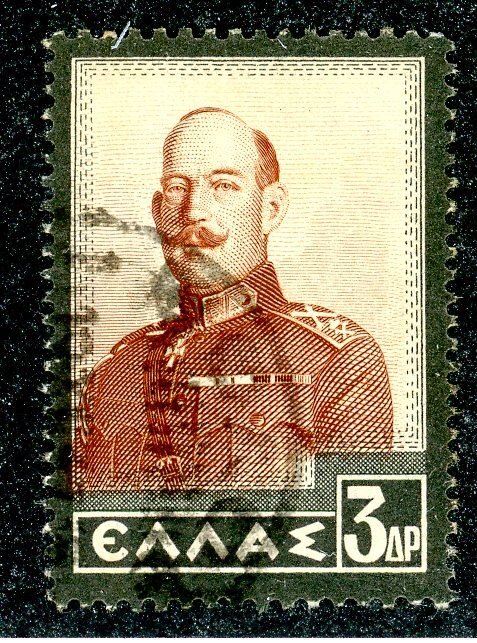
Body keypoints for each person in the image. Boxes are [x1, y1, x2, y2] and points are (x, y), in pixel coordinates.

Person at [75, 107, 393, 492]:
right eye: (177, 188)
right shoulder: (116, 368)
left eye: (224, 186)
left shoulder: (338, 356)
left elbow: (349, 522)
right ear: (159, 213)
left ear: (270, 210)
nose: (193, 210)